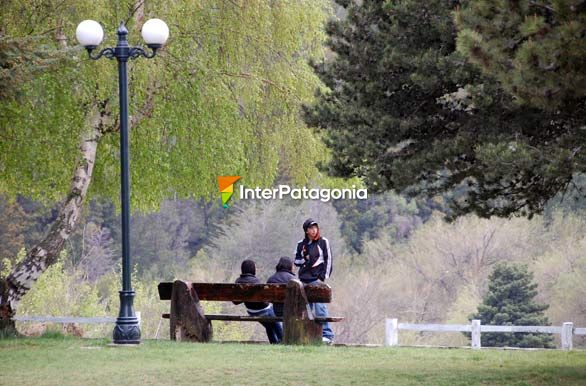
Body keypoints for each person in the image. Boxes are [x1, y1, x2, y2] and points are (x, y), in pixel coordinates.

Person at [294, 218, 334, 344]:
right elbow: (296, 261)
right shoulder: (301, 244)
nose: (314, 230)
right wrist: (305, 259)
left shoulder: (323, 242)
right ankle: (310, 334)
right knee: (307, 309)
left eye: (315, 227)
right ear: (306, 231)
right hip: (303, 280)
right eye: (311, 228)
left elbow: (329, 260)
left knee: (320, 307)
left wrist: (322, 277)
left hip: (317, 280)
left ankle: (327, 335)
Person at [234, 259, 283, 344]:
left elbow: (235, 302)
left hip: (251, 311)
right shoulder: (255, 281)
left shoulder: (238, 281)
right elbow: (263, 300)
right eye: (255, 267)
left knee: (269, 325)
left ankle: (274, 343)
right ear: (252, 269)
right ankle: (283, 340)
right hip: (263, 310)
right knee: (275, 320)